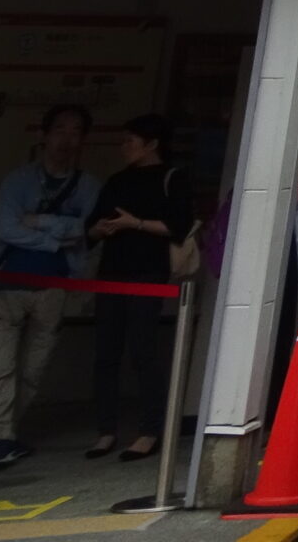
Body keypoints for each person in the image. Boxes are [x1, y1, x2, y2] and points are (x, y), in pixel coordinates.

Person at [0, 105, 102, 470]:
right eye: (59, 130)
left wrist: (39, 221)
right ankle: (1, 436)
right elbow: (6, 228)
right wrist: (57, 237)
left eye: (74, 131)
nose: (65, 139)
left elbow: (83, 230)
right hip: (7, 284)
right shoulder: (18, 180)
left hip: (56, 287)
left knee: (34, 367)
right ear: (44, 135)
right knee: (1, 364)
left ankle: (5, 429)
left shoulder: (88, 186)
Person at [85, 114, 193, 462]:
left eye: (130, 141)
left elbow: (179, 226)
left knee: (144, 352)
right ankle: (106, 430)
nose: (124, 147)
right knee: (105, 353)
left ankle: (150, 430)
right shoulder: (116, 180)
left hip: (149, 272)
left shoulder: (172, 179)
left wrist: (137, 223)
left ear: (152, 143)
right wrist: (101, 228)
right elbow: (90, 228)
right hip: (112, 270)